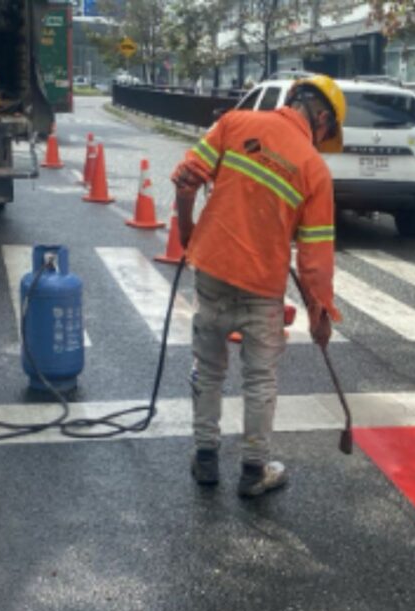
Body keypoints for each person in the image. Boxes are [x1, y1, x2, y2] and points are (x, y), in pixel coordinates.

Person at [170, 75, 346, 497]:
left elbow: (185, 179)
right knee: (260, 379)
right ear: (320, 118)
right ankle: (253, 471)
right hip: (262, 287)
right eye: (327, 133)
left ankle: (206, 458)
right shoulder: (315, 170)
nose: (322, 142)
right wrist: (320, 313)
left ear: (290, 98)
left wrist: (189, 231)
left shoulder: (234, 123)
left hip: (211, 269)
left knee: (208, 368)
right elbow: (314, 258)